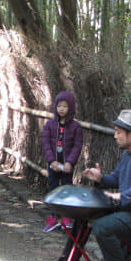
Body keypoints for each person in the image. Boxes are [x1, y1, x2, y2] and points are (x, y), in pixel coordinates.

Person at [42, 109, 131, 261]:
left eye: (119, 132)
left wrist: (118, 198)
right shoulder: (128, 155)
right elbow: (116, 178)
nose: (115, 136)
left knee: (102, 226)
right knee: (82, 216)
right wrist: (100, 178)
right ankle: (69, 260)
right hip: (126, 208)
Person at [40, 91, 83, 232]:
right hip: (53, 164)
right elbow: (46, 143)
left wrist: (70, 162)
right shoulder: (50, 125)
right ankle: (54, 217)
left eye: (65, 106)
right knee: (53, 189)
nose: (62, 109)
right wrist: (51, 161)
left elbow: (77, 146)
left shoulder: (76, 127)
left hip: (66, 166)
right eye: (59, 106)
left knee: (66, 190)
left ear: (70, 108)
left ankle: (65, 216)